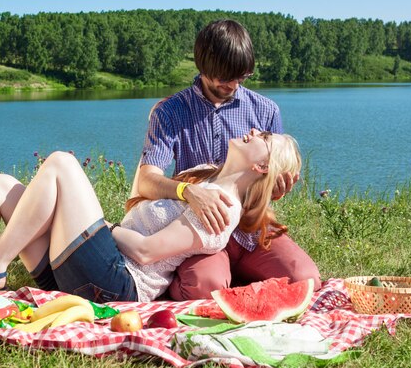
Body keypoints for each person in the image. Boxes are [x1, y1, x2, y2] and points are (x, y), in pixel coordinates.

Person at [0, 129, 301, 303]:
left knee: (63, 164)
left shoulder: (222, 208)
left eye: (263, 138)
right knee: (1, 184)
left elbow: (143, 252)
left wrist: (104, 227)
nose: (252, 132)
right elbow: (145, 183)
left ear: (262, 167)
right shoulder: (206, 182)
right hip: (89, 271)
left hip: (115, 284)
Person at [135, 19, 321, 299]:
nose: (233, 85)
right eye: (224, 77)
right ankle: (192, 277)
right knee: (204, 287)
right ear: (203, 67)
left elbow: (267, 177)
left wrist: (277, 188)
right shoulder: (170, 112)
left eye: (241, 77)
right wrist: (189, 192)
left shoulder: (266, 110)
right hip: (199, 229)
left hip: (250, 227)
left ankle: (235, 277)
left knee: (305, 280)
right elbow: (146, 181)